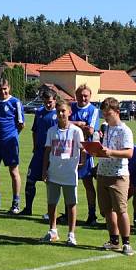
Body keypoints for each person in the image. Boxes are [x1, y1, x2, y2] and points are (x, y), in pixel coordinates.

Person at [39, 101, 83, 246]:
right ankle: (53, 231)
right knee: (52, 203)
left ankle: (71, 234)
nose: (60, 114)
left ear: (69, 112)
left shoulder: (76, 131)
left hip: (69, 174)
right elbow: (47, 151)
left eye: (63, 111)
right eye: (58, 111)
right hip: (54, 173)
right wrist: (44, 169)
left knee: (71, 204)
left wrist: (82, 162)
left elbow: (82, 149)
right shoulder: (52, 131)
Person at [96, 97, 135, 256]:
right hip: (103, 172)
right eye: (104, 113)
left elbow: (129, 153)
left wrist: (110, 152)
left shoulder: (125, 130)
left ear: (117, 112)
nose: (106, 116)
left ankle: (126, 243)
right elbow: (102, 148)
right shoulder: (105, 128)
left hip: (118, 175)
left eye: (109, 113)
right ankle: (114, 241)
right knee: (107, 210)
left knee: (121, 210)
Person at [0, 77, 25, 213]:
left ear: (9, 88)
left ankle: (16, 203)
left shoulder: (16, 102)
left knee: (14, 172)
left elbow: (21, 124)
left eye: (5, 89)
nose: (3, 92)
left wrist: (12, 136)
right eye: (0, 89)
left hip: (9, 143)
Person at [20, 89, 57, 216]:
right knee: (30, 179)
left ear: (55, 101)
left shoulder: (57, 114)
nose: (48, 104)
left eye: (50, 102)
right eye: (46, 102)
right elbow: (34, 130)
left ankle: (49, 213)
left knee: (51, 183)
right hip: (39, 153)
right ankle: (28, 208)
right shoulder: (39, 112)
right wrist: (35, 145)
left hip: (52, 154)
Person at [70, 84, 101, 225]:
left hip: (86, 152)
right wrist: (79, 123)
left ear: (90, 97)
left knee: (88, 184)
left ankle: (92, 214)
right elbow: (63, 122)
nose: (83, 98)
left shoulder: (93, 110)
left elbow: (90, 131)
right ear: (76, 96)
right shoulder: (71, 106)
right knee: (68, 183)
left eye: (85, 96)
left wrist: (74, 125)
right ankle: (68, 212)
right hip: (69, 150)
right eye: (80, 95)